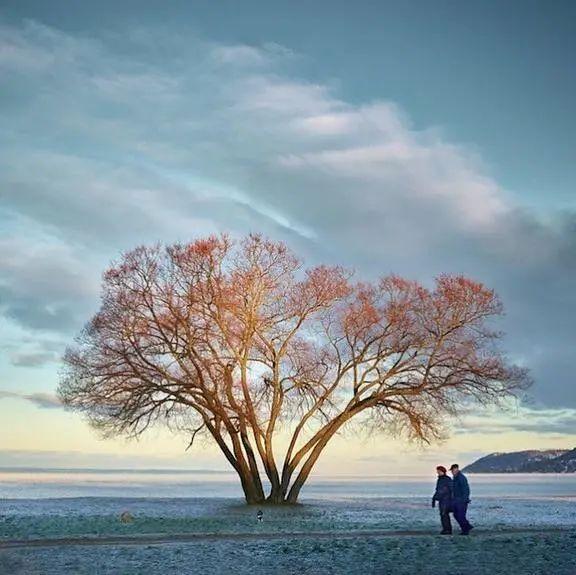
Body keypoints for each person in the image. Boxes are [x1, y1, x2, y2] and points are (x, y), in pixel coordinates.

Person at [450, 463, 473, 535]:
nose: (452, 472)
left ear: (456, 469)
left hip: (461, 500)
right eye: (451, 470)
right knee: (456, 515)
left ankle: (466, 529)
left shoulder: (461, 478)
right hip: (456, 500)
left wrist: (465, 499)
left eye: (453, 470)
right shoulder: (455, 478)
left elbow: (466, 489)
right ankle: (467, 527)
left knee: (460, 515)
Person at [431, 465, 453, 534]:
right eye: (437, 471)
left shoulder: (447, 479)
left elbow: (449, 489)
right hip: (442, 500)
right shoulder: (440, 479)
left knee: (444, 514)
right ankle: (446, 529)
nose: (438, 472)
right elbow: (438, 490)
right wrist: (434, 498)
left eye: (439, 471)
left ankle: (447, 529)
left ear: (442, 471)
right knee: (443, 514)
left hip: (446, 500)